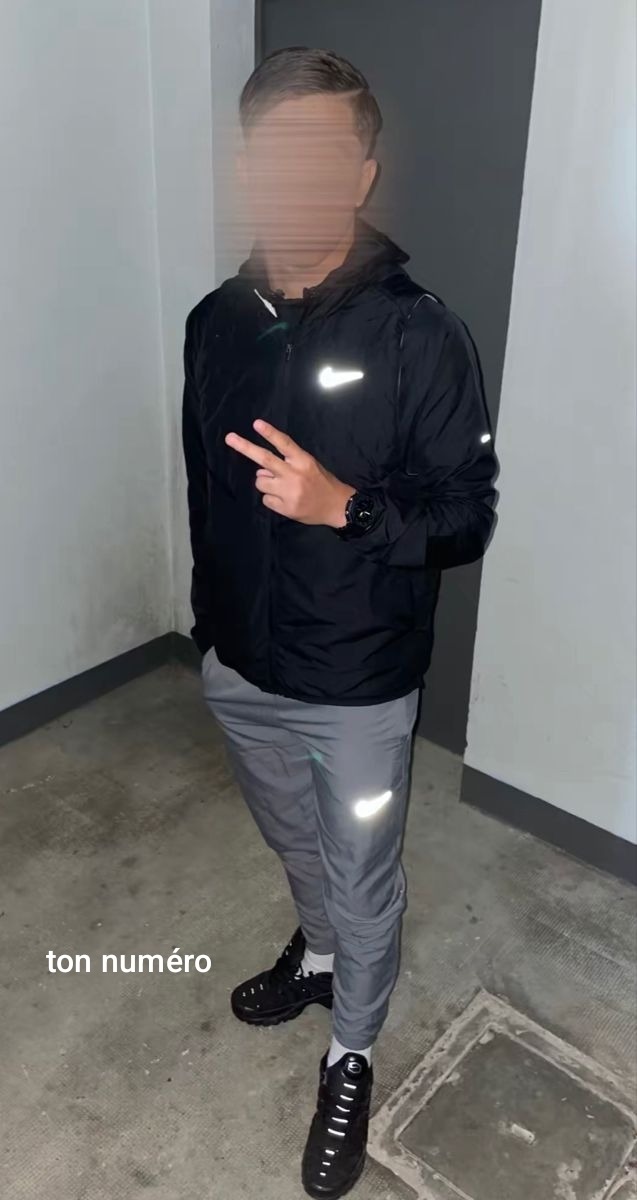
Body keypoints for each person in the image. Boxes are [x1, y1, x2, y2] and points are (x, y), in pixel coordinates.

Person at [182, 45, 498, 1199]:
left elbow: (465, 515)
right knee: (295, 841)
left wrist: (345, 507)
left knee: (363, 873)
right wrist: (211, 629)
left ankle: (350, 1052)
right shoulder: (216, 321)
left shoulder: (421, 335)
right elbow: (204, 489)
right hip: (240, 665)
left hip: (357, 685)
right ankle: (315, 955)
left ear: (361, 174)